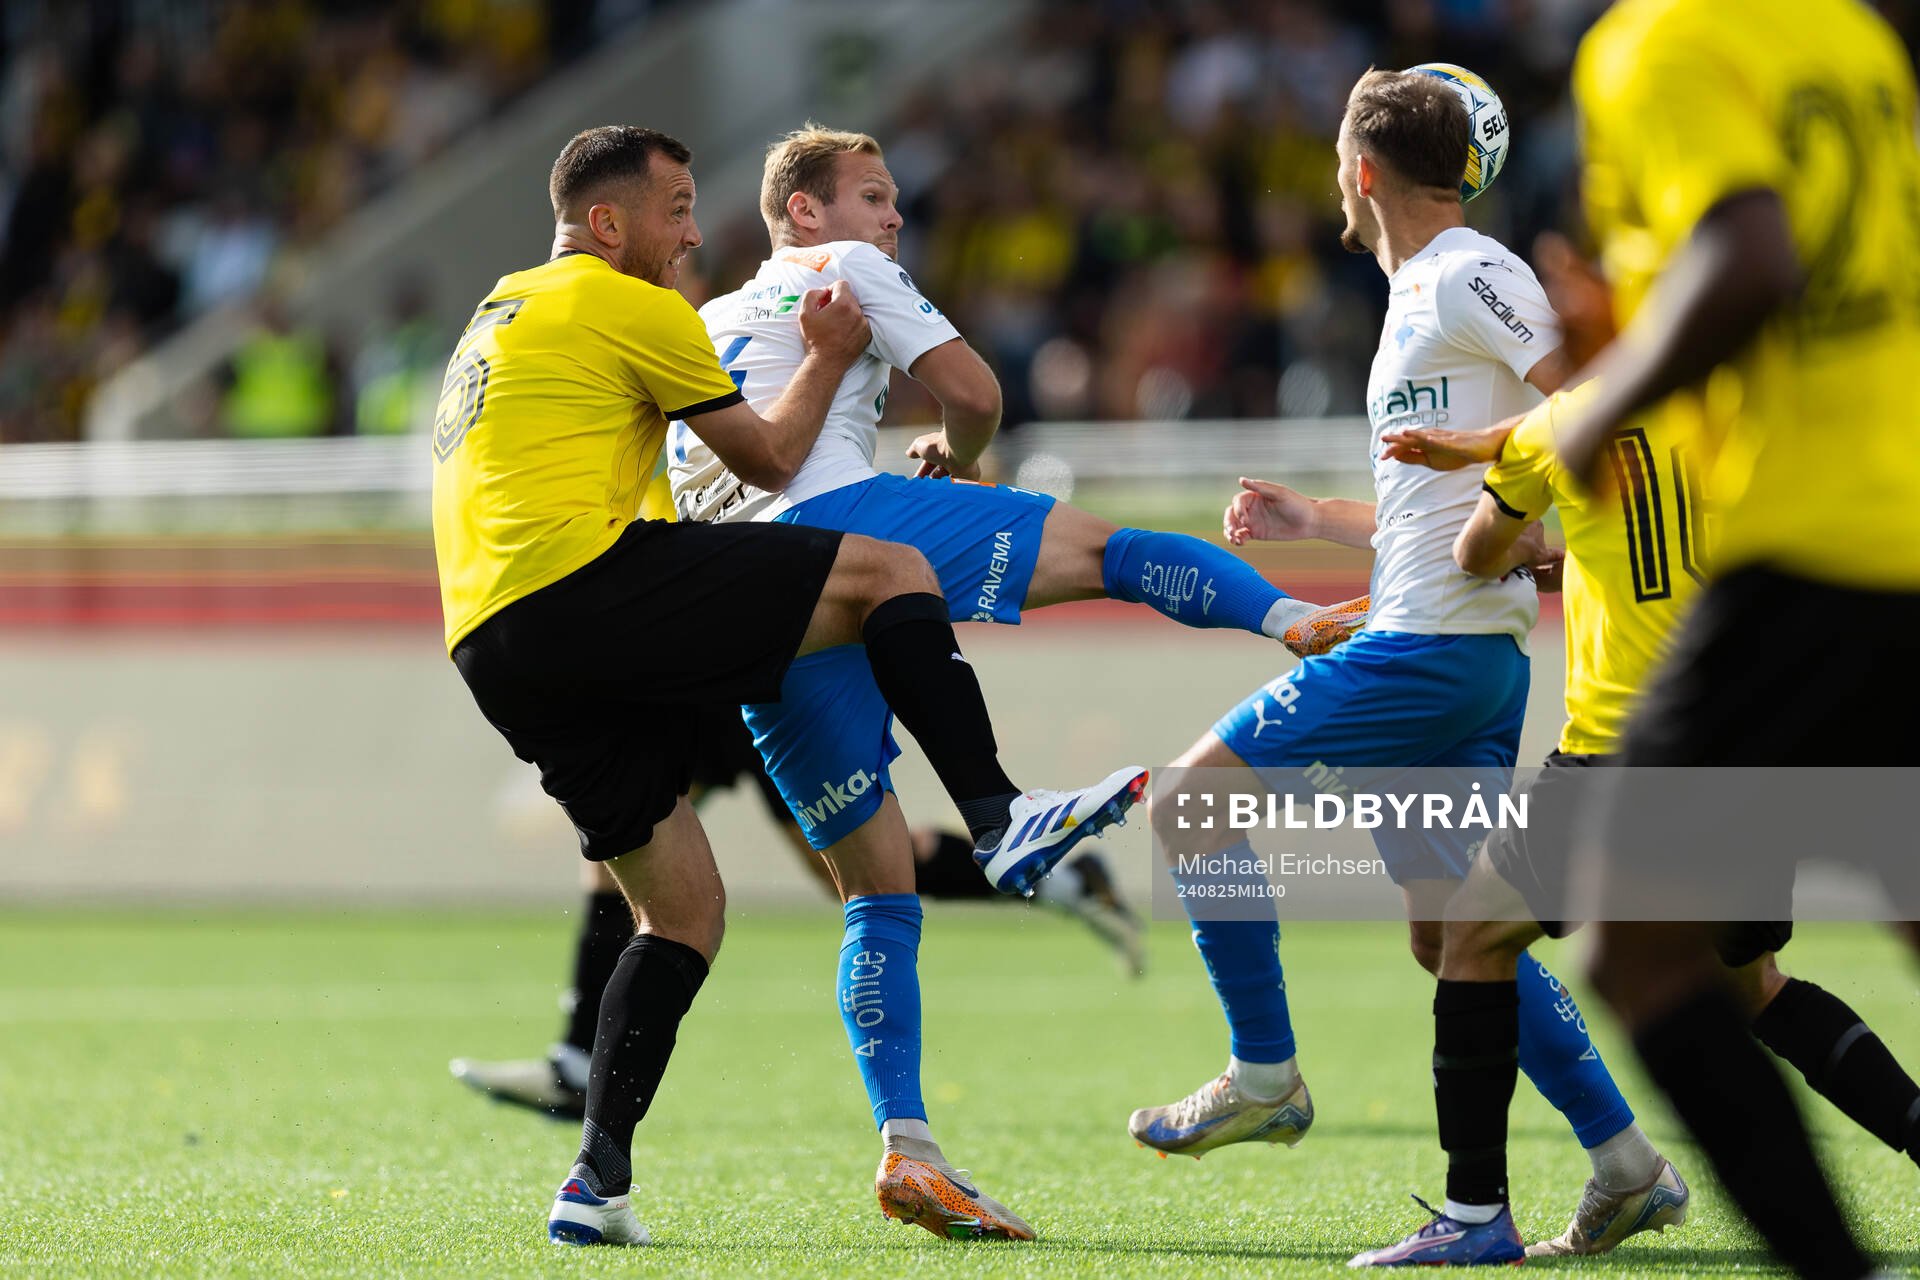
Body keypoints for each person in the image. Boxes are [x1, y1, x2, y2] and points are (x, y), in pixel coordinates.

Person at [430, 124, 1145, 1249]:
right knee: (891, 568)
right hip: (589, 585)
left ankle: (595, 1181)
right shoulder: (633, 305)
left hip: (488, 637)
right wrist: (825, 354)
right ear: (606, 222)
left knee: (679, 912)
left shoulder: (498, 313)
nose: (685, 235)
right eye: (671, 210)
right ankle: (1002, 820)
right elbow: (765, 464)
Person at [656, 123, 1361, 1242]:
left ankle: (909, 1147)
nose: (893, 219)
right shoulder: (845, 270)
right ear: (803, 212)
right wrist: (967, 457)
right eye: (874, 196)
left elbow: (699, 476)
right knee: (1113, 550)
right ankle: (1297, 617)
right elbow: (975, 390)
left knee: (877, 889)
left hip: (749, 617)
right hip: (843, 528)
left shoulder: (700, 324)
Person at [1125, 69, 1679, 1254]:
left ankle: (1263, 1072)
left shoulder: (1473, 271)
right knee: (1456, 934)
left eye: (1336, 158)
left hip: (1426, 655)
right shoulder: (1423, 292)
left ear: (1361, 170)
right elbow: (1444, 503)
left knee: (1187, 805)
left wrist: (1548, 521)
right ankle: (1627, 1163)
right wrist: (1316, 519)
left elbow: (1593, 405)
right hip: (1450, 645)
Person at [1352, 375, 1920, 1265]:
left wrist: (1542, 535)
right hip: (1750, 746)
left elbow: (1473, 553)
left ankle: (1474, 1215)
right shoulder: (1737, 401)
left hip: (1626, 751)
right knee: (1749, 982)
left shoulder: (1563, 422)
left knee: (1468, 934)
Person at [1533, 2, 1920, 1275]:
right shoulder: (1848, 34)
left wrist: (1605, 405)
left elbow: (1753, 258)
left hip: (1813, 544)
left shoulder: (1664, 43)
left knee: (1634, 935)